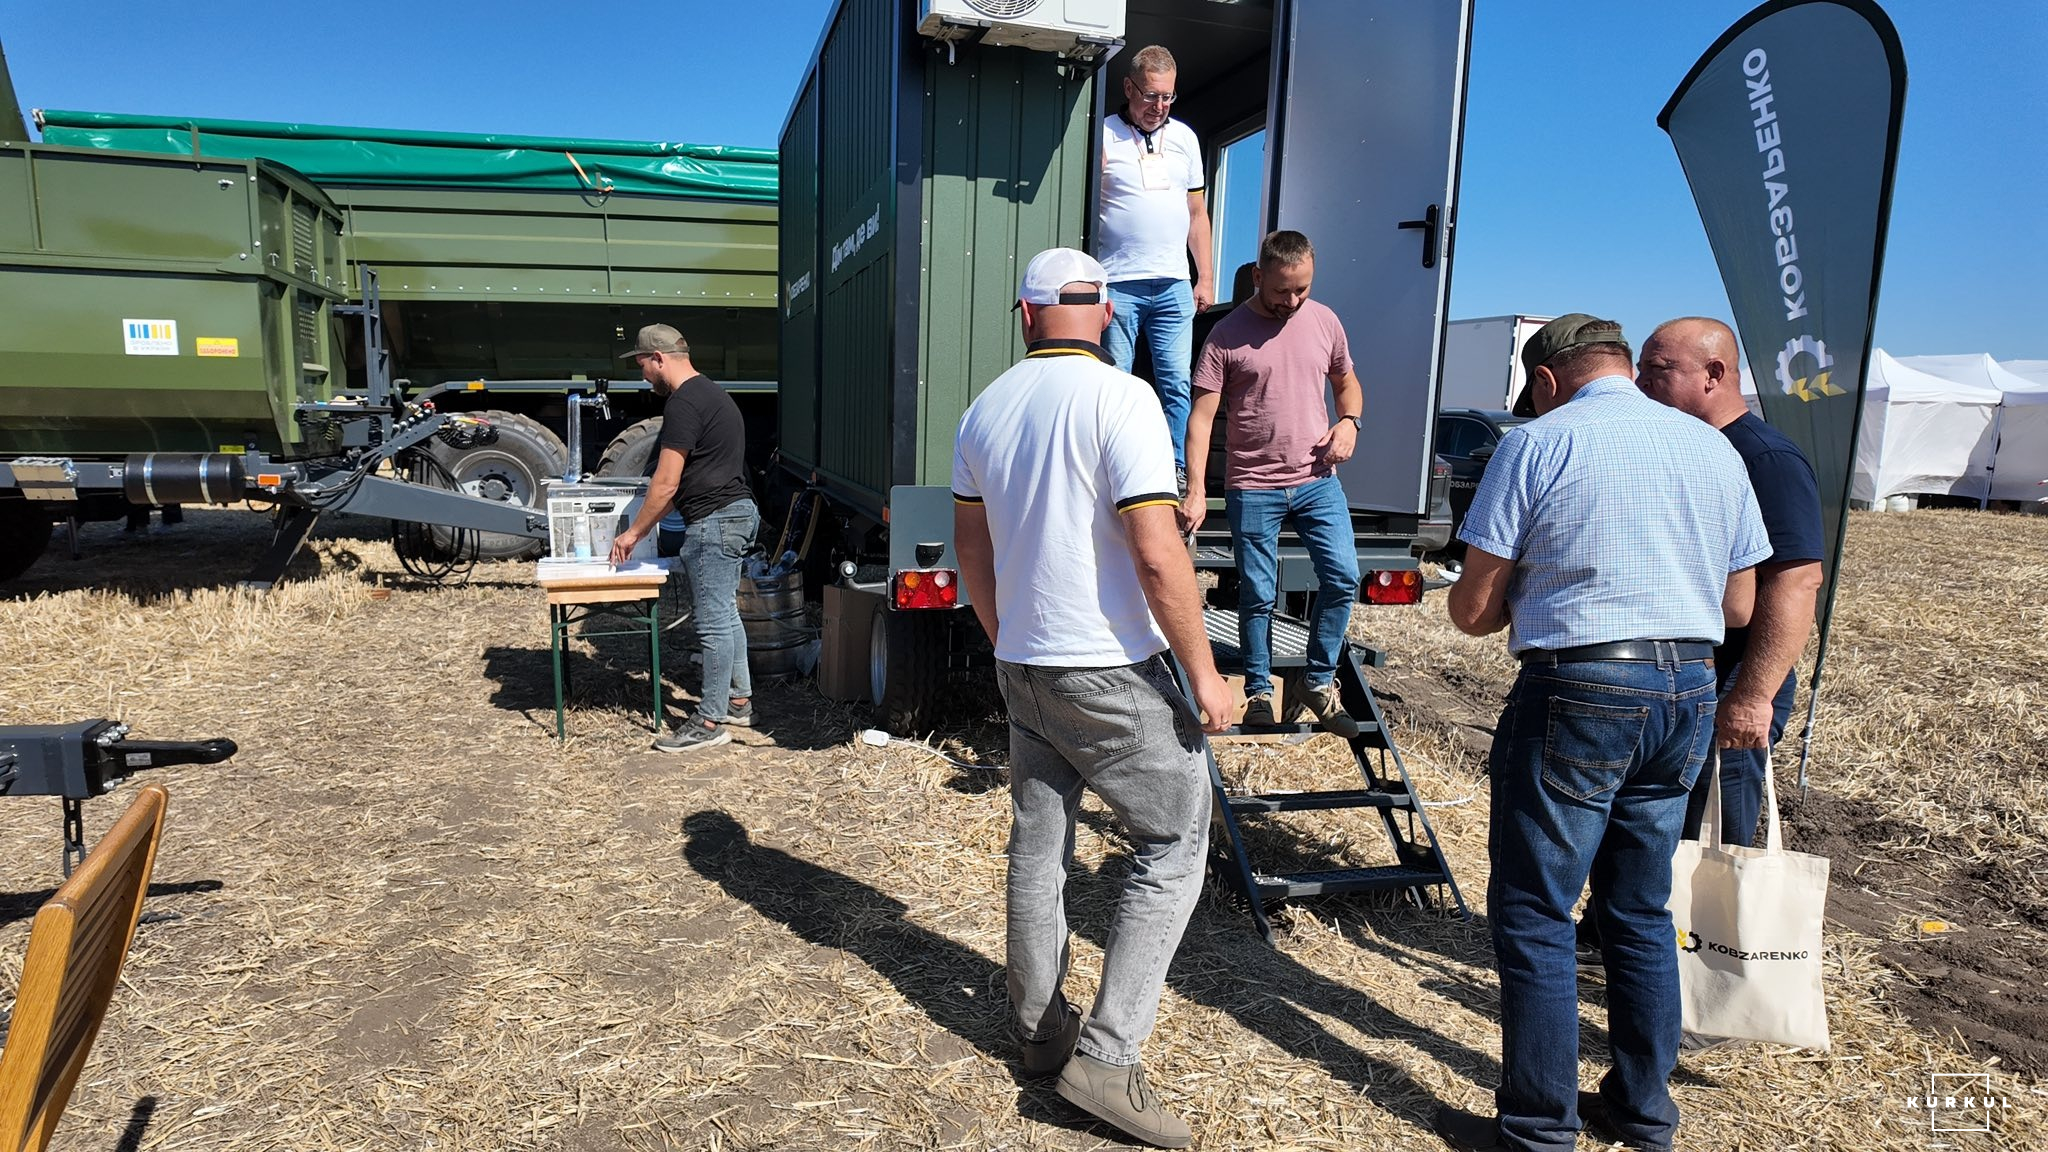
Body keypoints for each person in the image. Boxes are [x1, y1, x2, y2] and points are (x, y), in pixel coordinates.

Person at [1440, 314, 1769, 1152]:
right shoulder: (1713, 448)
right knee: (1639, 908)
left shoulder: (1536, 443)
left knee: (1536, 910)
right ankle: (1643, 1111)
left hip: (1581, 684)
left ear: (1547, 381)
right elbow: (1739, 607)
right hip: (1688, 686)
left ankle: (1538, 1130)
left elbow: (1472, 609)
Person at [953, 247, 1231, 1149]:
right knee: (1175, 841)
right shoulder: (1125, 399)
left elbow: (972, 550)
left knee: (1039, 847)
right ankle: (1108, 1061)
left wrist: (1006, 638)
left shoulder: (985, 409)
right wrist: (1205, 674)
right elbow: (1156, 550)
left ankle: (1040, 1034)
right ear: (1108, 315)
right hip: (1108, 667)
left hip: (1025, 664)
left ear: (1025, 314)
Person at [1636, 317, 1825, 843]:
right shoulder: (1689, 447)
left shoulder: (1765, 459)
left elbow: (1798, 581)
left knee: (1711, 842)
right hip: (1679, 680)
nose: (1641, 382)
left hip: (1730, 687)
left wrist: (1751, 697)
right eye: (1640, 369)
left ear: (1714, 374)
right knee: (1658, 835)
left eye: (1658, 369)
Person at [1180, 230, 1363, 736]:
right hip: (1253, 485)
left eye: (1303, 288)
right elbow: (1201, 419)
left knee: (1343, 577)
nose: (1293, 300)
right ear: (1258, 277)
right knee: (1257, 592)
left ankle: (1317, 682)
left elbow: (1347, 383)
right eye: (1282, 290)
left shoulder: (1325, 321)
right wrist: (1195, 490)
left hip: (1317, 480)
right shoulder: (1225, 336)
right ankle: (1259, 691)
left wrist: (1350, 423)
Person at [609, 324, 758, 753]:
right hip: (737, 512)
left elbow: (666, 482)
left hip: (714, 522)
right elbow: (692, 479)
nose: (643, 376)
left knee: (712, 623)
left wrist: (633, 533)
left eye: (642, 365)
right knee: (725, 614)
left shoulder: (683, 403)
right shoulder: (714, 394)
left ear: (659, 358)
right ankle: (739, 701)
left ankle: (709, 722)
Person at [1096, 44, 1215, 489]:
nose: (1159, 106)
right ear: (1129, 88)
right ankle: (1114, 467)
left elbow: (1197, 213)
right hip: (1118, 281)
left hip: (1173, 283)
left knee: (1176, 382)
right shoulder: (1104, 134)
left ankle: (1176, 468)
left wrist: (1205, 277)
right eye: (1150, 95)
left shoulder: (1185, 138)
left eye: (1167, 97)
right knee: (1116, 381)